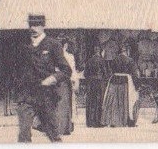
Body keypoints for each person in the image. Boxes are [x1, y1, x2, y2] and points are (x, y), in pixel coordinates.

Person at [16, 14, 72, 143]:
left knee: (52, 133)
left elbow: (66, 70)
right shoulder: (23, 45)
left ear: (43, 26)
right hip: (27, 95)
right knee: (24, 133)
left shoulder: (53, 44)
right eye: (31, 25)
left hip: (46, 96)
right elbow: (17, 69)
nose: (33, 28)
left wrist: (52, 78)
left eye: (36, 25)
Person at [102, 42, 139, 127]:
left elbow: (110, 71)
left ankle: (113, 121)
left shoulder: (114, 59)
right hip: (125, 81)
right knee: (127, 101)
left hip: (114, 80)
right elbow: (134, 74)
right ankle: (126, 121)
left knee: (114, 102)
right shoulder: (130, 60)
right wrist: (137, 85)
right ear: (127, 51)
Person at [53, 39, 76, 135]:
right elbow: (72, 70)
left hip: (56, 80)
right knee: (65, 104)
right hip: (66, 81)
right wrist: (74, 81)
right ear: (65, 46)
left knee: (57, 104)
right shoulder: (69, 56)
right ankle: (65, 128)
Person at [83, 44, 108, 128]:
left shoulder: (89, 61)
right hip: (100, 82)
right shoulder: (102, 60)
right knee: (100, 101)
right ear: (100, 51)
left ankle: (90, 122)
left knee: (91, 101)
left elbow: (85, 74)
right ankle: (98, 122)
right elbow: (105, 73)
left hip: (91, 83)